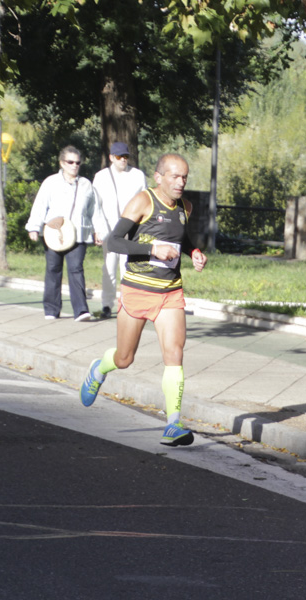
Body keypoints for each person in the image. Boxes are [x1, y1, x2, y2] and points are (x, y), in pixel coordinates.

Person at [79, 154, 207, 447]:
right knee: (124, 358)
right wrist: (152, 251)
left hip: (170, 291)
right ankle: (99, 369)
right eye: (175, 176)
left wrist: (194, 252)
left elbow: (180, 237)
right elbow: (113, 241)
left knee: (174, 353)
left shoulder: (186, 206)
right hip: (137, 289)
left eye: (185, 177)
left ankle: (173, 424)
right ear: (159, 177)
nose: (181, 182)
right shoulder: (143, 202)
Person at [25, 145, 105, 321]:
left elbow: (95, 210)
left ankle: (81, 311)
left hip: (78, 235)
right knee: (53, 269)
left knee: (76, 269)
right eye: (70, 162)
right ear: (62, 163)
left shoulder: (86, 185)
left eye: (77, 162)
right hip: (54, 233)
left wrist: (98, 230)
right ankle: (51, 310)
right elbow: (40, 205)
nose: (74, 165)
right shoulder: (50, 182)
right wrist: (34, 227)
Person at [92, 141, 148, 319]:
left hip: (131, 230)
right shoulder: (101, 177)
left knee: (128, 268)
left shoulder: (138, 175)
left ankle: (127, 304)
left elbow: (145, 201)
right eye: (119, 157)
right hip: (108, 229)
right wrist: (98, 230)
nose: (123, 160)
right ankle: (107, 305)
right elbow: (95, 206)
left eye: (126, 156)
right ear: (111, 158)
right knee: (108, 268)